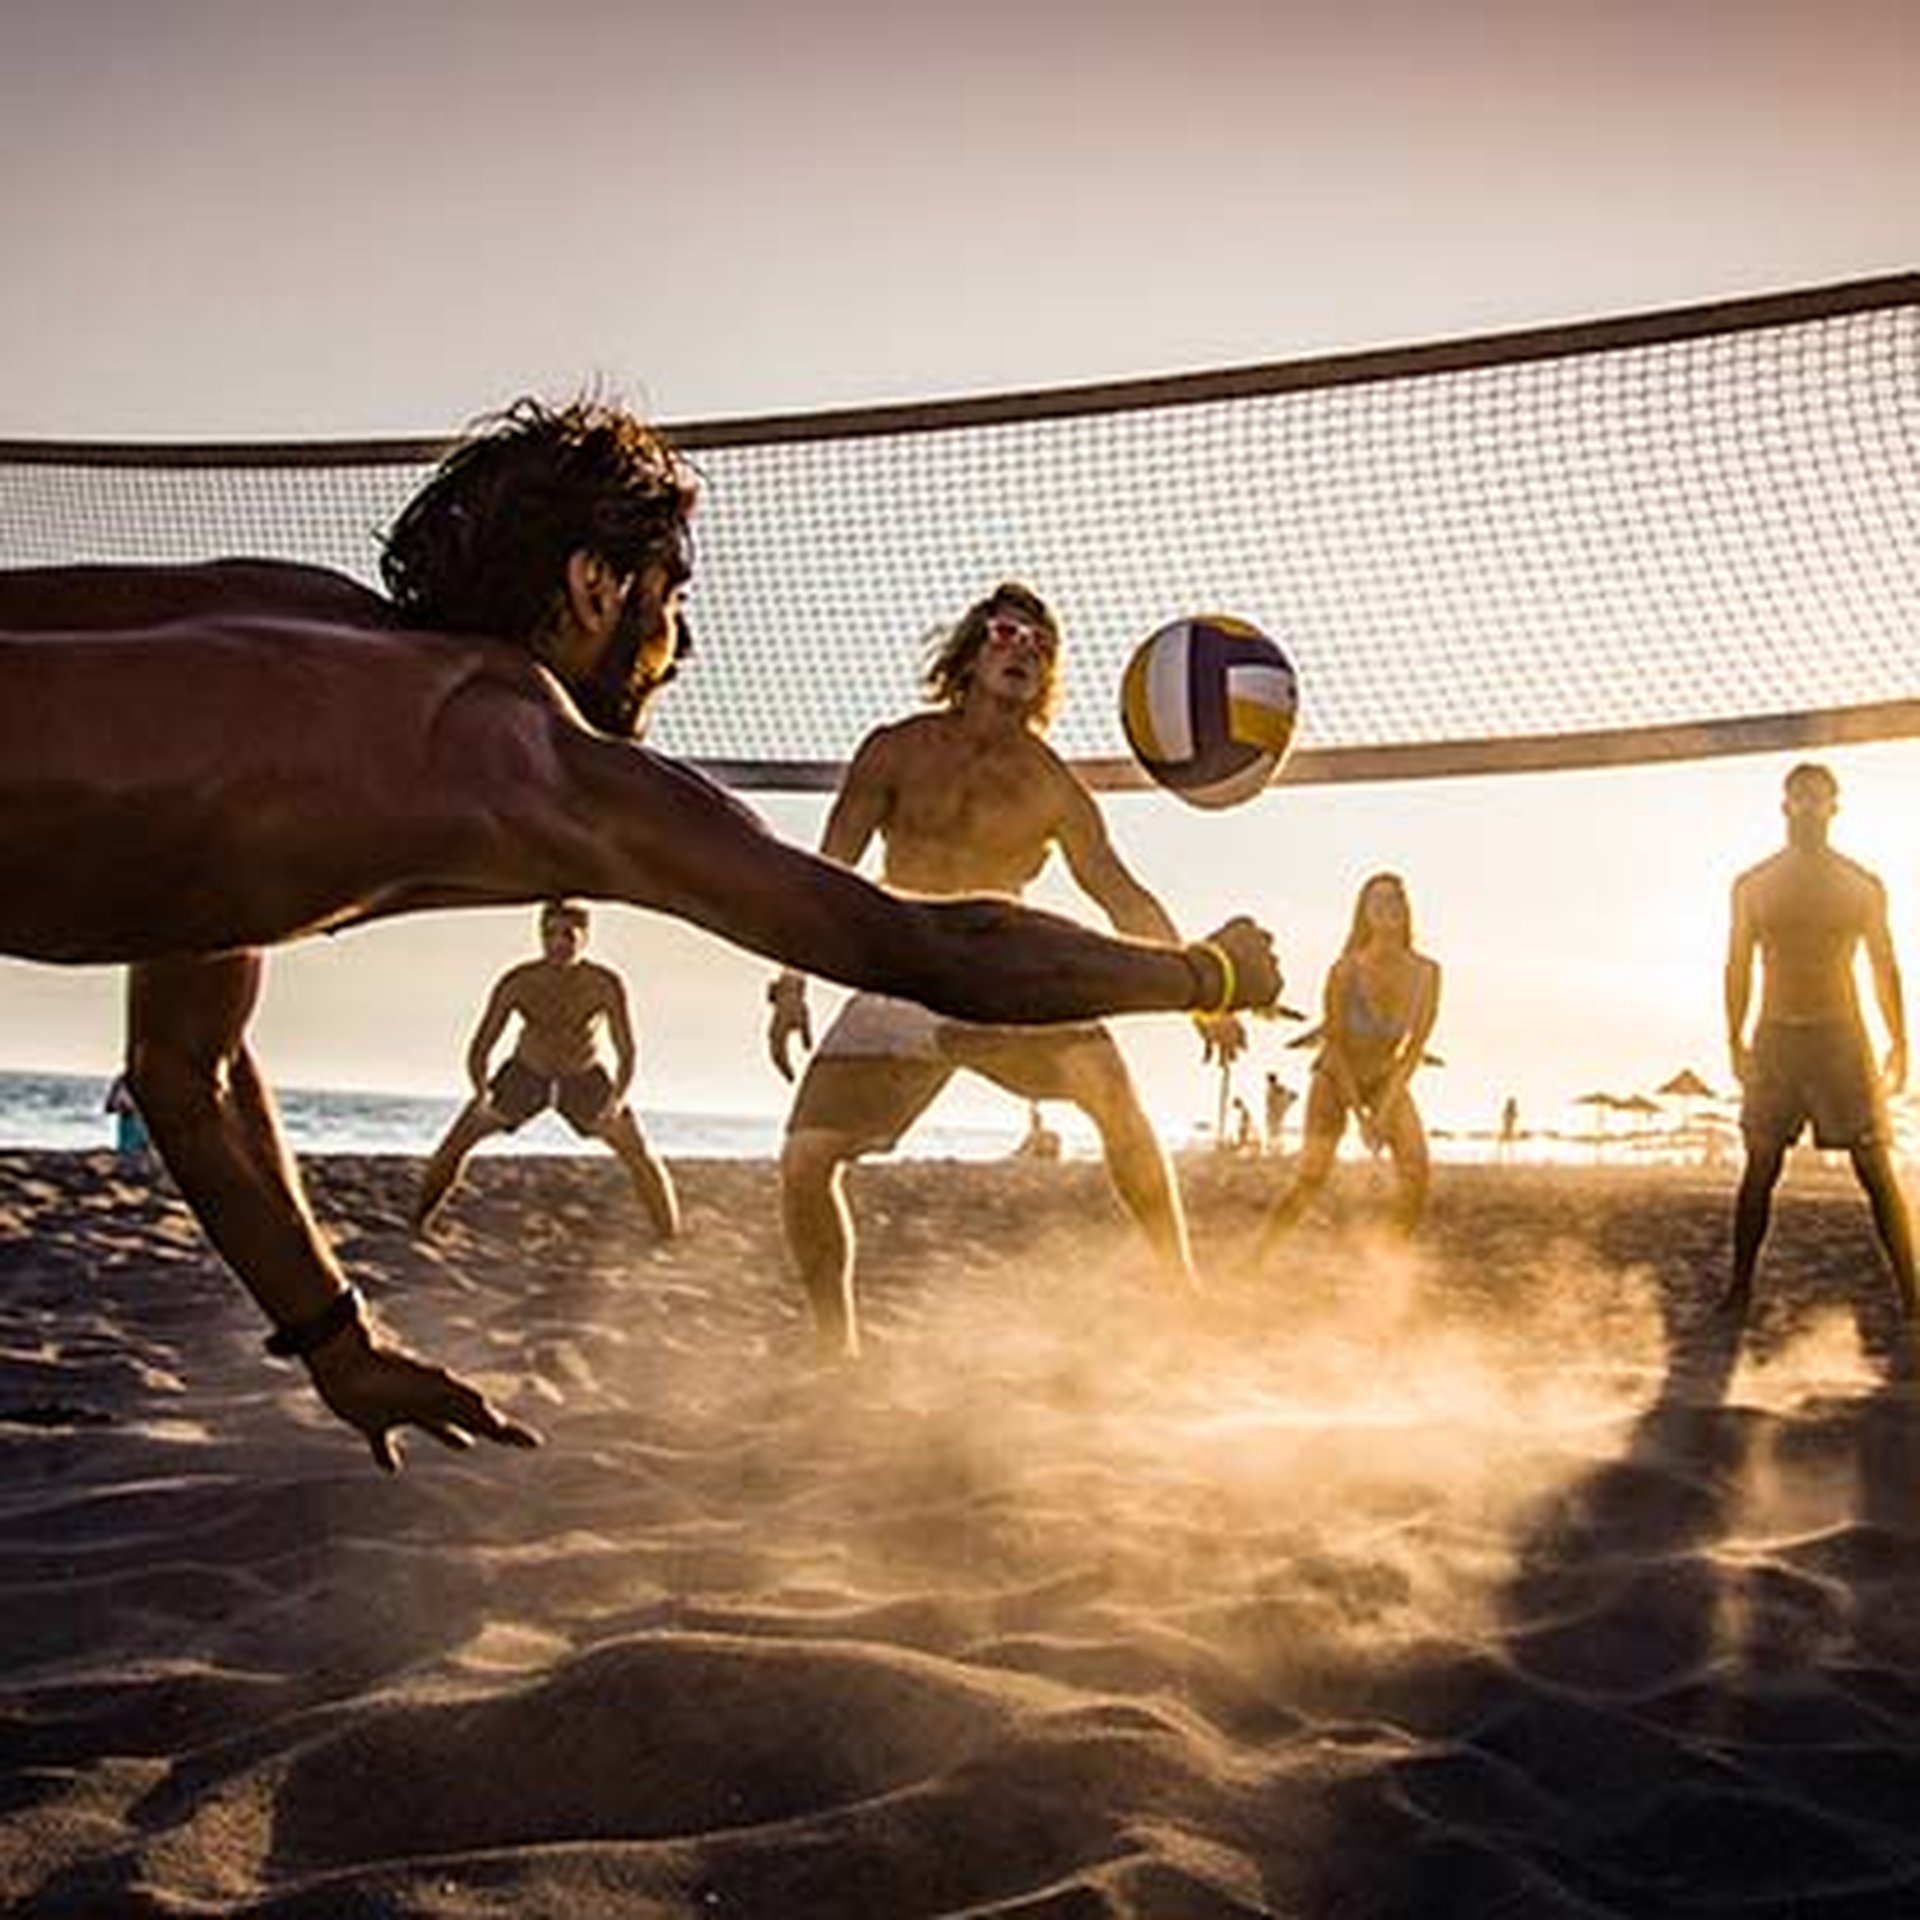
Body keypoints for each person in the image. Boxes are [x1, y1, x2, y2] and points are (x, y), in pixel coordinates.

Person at [0, 398, 1282, 1469]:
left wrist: (338, 1341)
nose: (682, 637)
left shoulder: (301, 647)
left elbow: (192, 1072)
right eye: (671, 592)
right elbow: (921, 945)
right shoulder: (515, 752)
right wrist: (1201, 973)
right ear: (591, 584)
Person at [766, 581, 1252, 1359]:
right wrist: (791, 985)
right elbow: (829, 876)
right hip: (905, 964)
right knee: (804, 1162)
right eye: (1005, 632)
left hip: (1008, 971)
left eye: (1039, 644)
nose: (1022, 648)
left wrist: (1204, 991)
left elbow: (1119, 894)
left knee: (1118, 1107)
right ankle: (836, 1350)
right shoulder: (894, 748)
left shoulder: (1050, 784)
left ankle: (1182, 1292)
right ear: (969, 650)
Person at [1719, 762, 1914, 1323]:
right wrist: (1734, 1038)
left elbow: (1885, 965)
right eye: (1799, 797)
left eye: (1818, 798)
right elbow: (1736, 966)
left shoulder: (1862, 885)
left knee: (1874, 1166)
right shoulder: (1753, 884)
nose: (1808, 806)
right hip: (1777, 1036)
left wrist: (1900, 1040)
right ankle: (1738, 1291)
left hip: (1841, 1037)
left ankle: (1913, 1296)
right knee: (1760, 1165)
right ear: (1784, 807)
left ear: (1835, 807)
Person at [413, 900, 679, 1237]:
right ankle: (418, 1224)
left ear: (585, 938)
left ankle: (668, 1236)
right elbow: (481, 1046)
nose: (557, 943)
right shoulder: (518, 981)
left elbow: (626, 1051)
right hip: (526, 1074)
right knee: (455, 1144)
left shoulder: (604, 983)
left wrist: (618, 1099)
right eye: (549, 934)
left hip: (583, 1078)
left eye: (567, 935)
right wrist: (480, 1091)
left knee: (639, 1153)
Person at [1250, 871, 1441, 1253]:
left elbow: (1415, 1047)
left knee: (1417, 1173)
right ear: (1364, 913)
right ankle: (1258, 1255)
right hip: (1336, 1076)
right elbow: (1334, 1046)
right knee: (1311, 1178)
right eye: (1378, 901)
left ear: (1406, 909)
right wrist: (1360, 1113)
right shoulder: (1344, 970)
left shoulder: (1428, 973)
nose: (1388, 908)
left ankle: (1387, 1258)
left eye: (1395, 899)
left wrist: (1384, 1111)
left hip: (1387, 1075)